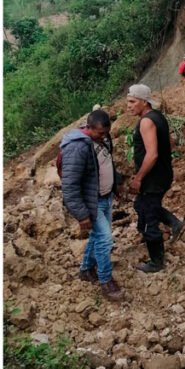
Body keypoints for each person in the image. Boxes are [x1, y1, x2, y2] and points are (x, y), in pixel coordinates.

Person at [59, 109, 124, 300]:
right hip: (91, 202)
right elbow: (69, 186)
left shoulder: (103, 139)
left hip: (105, 197)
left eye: (106, 133)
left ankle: (86, 269)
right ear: (88, 127)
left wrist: (116, 185)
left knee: (98, 237)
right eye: (100, 133)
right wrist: (82, 214)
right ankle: (106, 282)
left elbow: (108, 164)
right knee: (105, 240)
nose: (103, 137)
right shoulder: (77, 148)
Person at [126, 83, 185, 272]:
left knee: (149, 217)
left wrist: (138, 178)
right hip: (162, 174)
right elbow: (169, 141)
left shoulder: (146, 122)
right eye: (128, 101)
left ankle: (156, 262)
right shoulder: (158, 117)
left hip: (152, 179)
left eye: (132, 101)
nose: (129, 105)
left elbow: (151, 154)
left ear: (144, 102)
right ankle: (174, 223)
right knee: (140, 206)